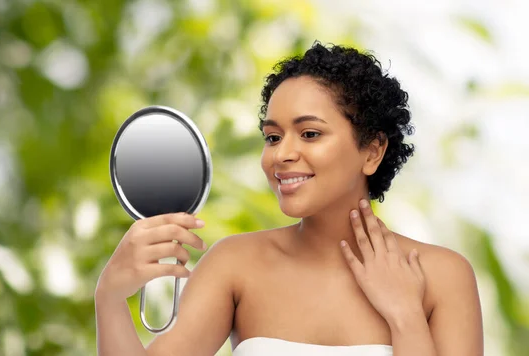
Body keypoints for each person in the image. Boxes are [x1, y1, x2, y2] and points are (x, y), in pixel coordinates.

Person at [94, 42, 484, 356]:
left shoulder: (442, 277)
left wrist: (405, 317)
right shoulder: (236, 264)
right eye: (273, 137)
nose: (281, 155)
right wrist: (110, 297)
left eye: (310, 134)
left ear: (372, 151)